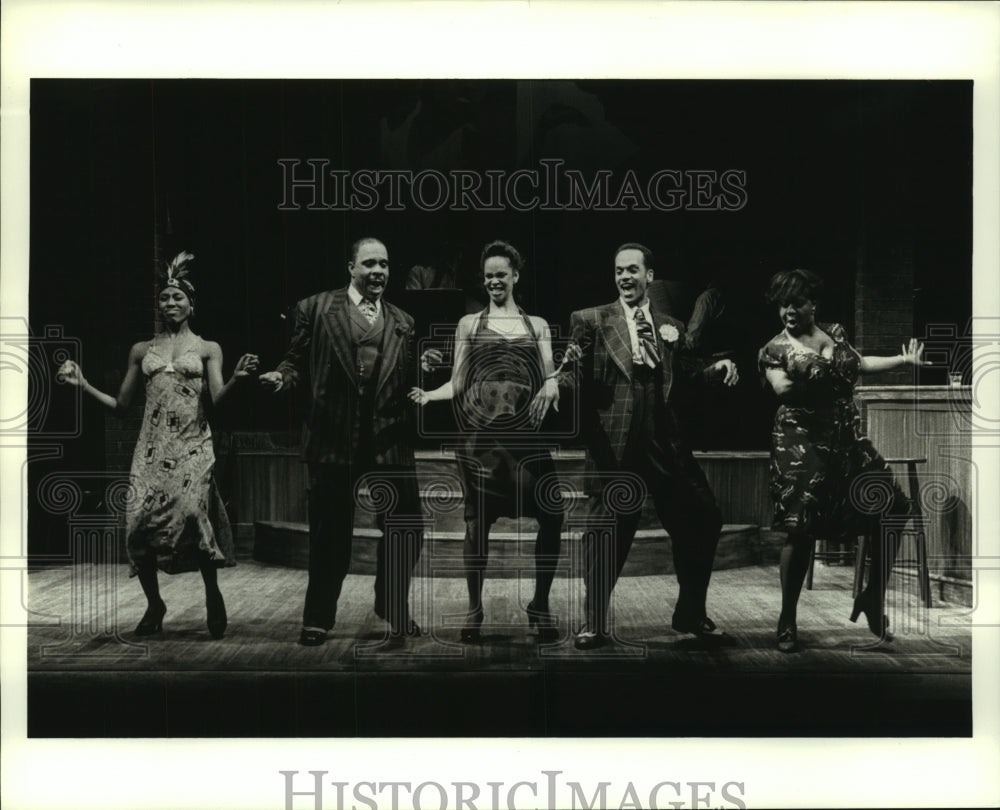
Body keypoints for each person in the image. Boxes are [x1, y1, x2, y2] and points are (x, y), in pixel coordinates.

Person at [57, 251, 258, 639]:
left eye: (177, 297)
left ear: (191, 304)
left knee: (193, 516)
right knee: (137, 525)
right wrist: (83, 385)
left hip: (193, 446)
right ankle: (154, 603)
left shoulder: (206, 348)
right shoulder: (141, 350)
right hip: (151, 450)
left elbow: (216, 401)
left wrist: (236, 378)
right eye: (164, 298)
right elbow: (120, 407)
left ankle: (213, 595)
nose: (170, 303)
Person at [565, 243, 739, 650]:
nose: (624, 277)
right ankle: (593, 621)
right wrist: (556, 382)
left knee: (705, 518)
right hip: (616, 447)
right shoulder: (591, 320)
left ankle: (691, 612)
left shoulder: (670, 325)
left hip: (665, 442)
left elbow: (689, 376)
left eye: (632, 270)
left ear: (650, 277)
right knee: (605, 535)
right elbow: (575, 374)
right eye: (618, 271)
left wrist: (719, 369)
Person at [260, 237, 424, 646]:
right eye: (369, 263)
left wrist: (422, 369)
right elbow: (295, 361)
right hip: (334, 435)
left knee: (406, 525)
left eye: (384, 264)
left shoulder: (403, 319)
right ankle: (318, 617)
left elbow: (403, 379)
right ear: (350, 267)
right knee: (329, 532)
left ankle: (391, 603)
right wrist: (282, 377)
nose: (378, 272)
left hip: (389, 437)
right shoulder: (315, 308)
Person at [758, 268, 929, 652]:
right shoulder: (774, 349)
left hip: (847, 439)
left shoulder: (835, 333)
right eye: (783, 303)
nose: (789, 310)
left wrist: (899, 362)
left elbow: (860, 363)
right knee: (800, 527)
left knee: (894, 507)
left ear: (812, 304)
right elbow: (782, 387)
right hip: (801, 444)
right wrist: (808, 367)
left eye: (796, 302)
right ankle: (787, 620)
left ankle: (872, 596)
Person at [409, 240, 562, 643]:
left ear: (515, 275)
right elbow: (458, 382)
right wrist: (429, 394)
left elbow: (548, 376)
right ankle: (474, 610)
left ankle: (540, 605)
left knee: (553, 514)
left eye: (501, 274)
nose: (494, 280)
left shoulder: (539, 325)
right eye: (488, 275)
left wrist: (553, 382)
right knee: (477, 526)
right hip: (480, 442)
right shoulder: (468, 325)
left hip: (525, 440)